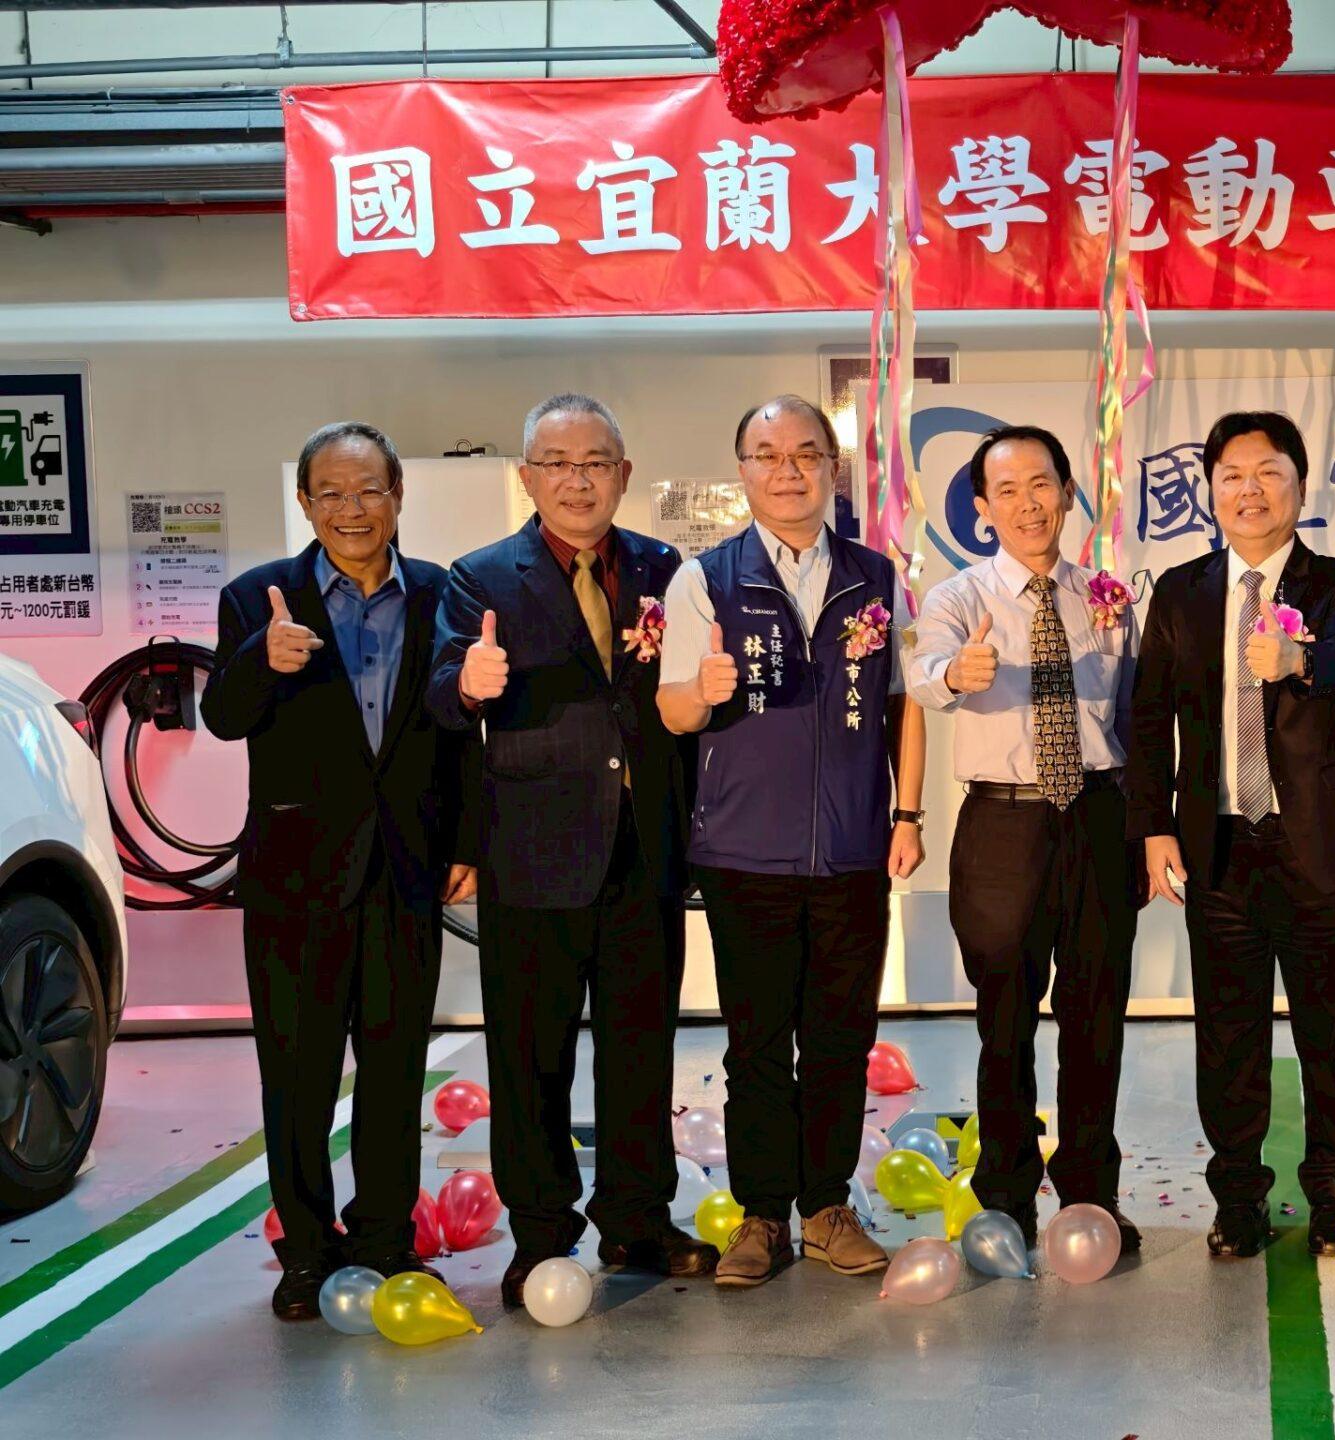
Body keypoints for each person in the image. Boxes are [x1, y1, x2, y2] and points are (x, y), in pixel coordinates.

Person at [426, 393, 714, 1309]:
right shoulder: (480, 578)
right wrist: (467, 685)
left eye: (595, 463)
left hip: (645, 849)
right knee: (530, 1059)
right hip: (532, 853)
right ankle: (541, 1233)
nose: (577, 480)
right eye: (557, 463)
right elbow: (440, 700)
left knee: (641, 1050)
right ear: (528, 478)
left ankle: (637, 1218)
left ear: (624, 475)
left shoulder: (668, 570)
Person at [204, 422, 478, 1321]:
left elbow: (459, 735)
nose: (351, 510)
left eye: (368, 490)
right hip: (294, 879)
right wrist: (261, 661)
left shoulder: (442, 593)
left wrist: (466, 840)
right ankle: (307, 1254)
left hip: (405, 869)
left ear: (398, 494)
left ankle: (388, 1241)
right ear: (305, 502)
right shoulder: (258, 597)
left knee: (395, 1069)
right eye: (331, 493)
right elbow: (222, 718)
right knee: (298, 1077)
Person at [654, 396, 926, 1287]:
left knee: (841, 1039)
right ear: (743, 471)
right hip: (745, 854)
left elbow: (902, 706)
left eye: (807, 453)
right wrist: (702, 689)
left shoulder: (876, 577)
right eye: (767, 454)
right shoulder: (705, 580)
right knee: (758, 1046)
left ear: (831, 469)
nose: (788, 470)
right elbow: (672, 711)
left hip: (852, 850)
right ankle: (763, 1215)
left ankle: (828, 1208)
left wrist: (907, 817)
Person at [1128, 411, 1335, 1259]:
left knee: (1330, 1030)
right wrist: (1153, 828)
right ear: (1211, 491)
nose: (1251, 491)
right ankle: (1238, 1196)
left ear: (1300, 486)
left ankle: (1334, 1194)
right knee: (1227, 1035)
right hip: (1217, 844)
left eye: (1269, 473)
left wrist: (1298, 661)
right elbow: (1149, 719)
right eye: (1233, 476)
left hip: (1317, 842)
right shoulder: (1181, 591)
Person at [908, 425, 1144, 1253]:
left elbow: (1136, 715)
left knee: (1096, 1015)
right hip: (1003, 824)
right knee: (1004, 1018)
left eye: (1041, 484)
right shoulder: (958, 599)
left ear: (1069, 493)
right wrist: (955, 674)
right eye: (1006, 491)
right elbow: (923, 675)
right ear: (982, 509)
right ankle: (1005, 1195)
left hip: (1098, 816)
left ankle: (1091, 1193)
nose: (1027, 504)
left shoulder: (1108, 598)